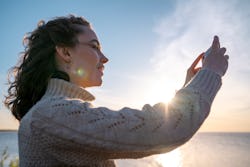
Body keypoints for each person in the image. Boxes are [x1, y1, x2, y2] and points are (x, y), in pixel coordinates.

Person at [5, 15, 228, 167]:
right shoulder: (52, 115)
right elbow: (160, 130)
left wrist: (187, 86)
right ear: (65, 52)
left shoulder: (51, 112)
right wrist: (211, 75)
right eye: (94, 47)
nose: (105, 58)